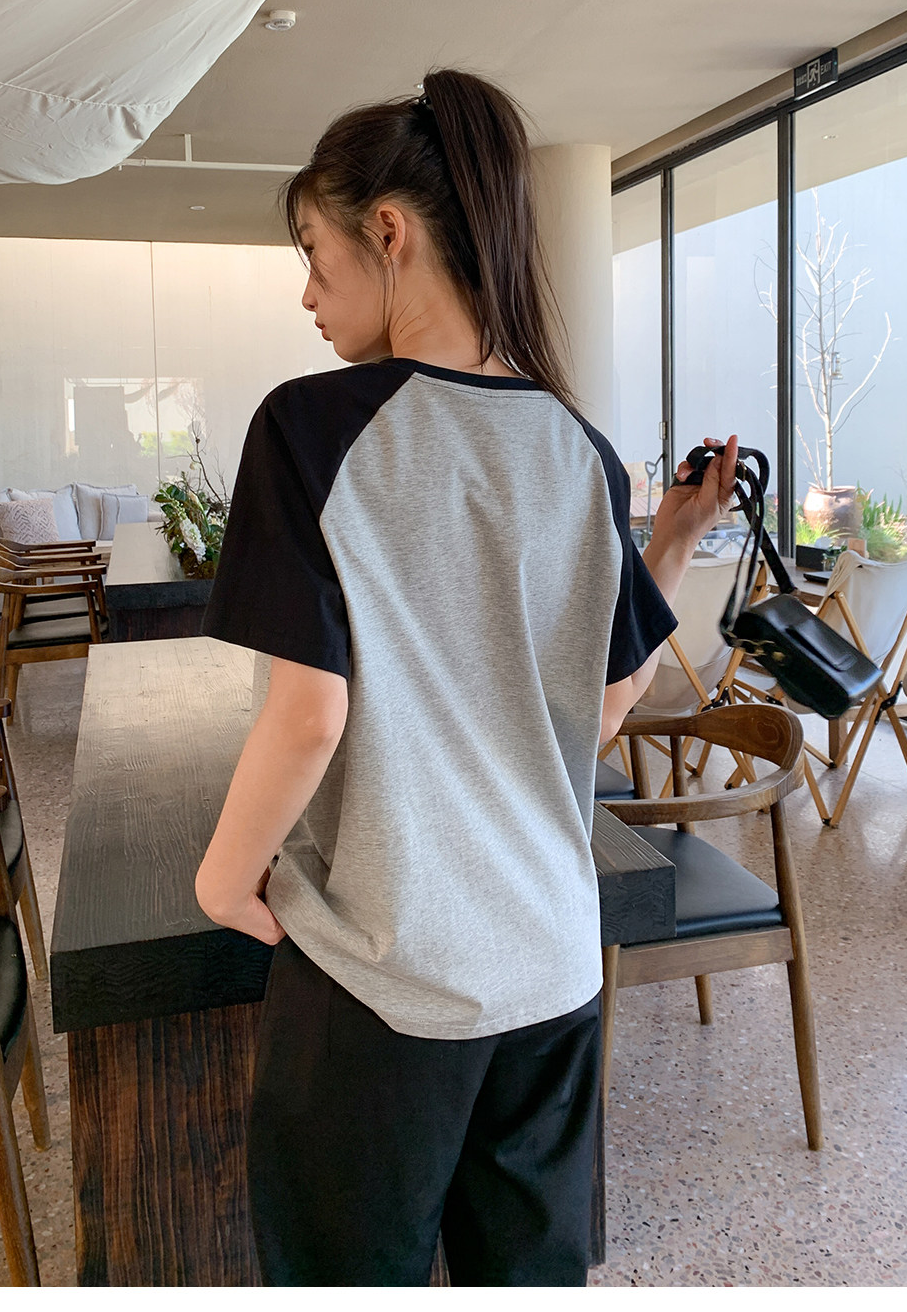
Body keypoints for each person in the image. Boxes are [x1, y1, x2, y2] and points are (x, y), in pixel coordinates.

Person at [195, 67, 739, 1287]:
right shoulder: (579, 446)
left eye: (314, 254)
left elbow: (309, 715)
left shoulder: (310, 428)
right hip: (552, 964)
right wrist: (671, 542)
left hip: (388, 976)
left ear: (388, 232)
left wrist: (224, 876)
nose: (306, 293)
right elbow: (600, 711)